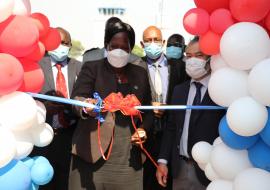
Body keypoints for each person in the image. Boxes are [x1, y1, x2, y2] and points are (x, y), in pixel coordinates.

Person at [69, 20, 153, 190]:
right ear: (106, 46)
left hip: (128, 162)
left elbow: (148, 110)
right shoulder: (92, 68)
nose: (119, 51)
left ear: (131, 49)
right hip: (90, 158)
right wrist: (86, 107)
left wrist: (144, 128)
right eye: (114, 46)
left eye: (124, 47)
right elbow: (77, 99)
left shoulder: (140, 73)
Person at [156, 36, 225, 190]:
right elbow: (171, 128)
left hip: (211, 171)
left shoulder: (221, 90)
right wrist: (163, 161)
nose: (192, 60)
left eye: (199, 56)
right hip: (180, 169)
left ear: (210, 59)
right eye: (188, 56)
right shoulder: (179, 90)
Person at [31, 27, 82, 190]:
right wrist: (44, 108)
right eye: (58, 43)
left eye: (65, 43)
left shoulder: (80, 67)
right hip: (43, 136)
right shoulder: (36, 67)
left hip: (71, 137)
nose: (61, 46)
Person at [140, 26, 188, 190]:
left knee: (167, 183)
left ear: (163, 42)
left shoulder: (179, 67)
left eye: (156, 40)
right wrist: (147, 108)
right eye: (148, 41)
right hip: (143, 137)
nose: (153, 44)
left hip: (171, 136)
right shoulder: (135, 67)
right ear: (142, 44)